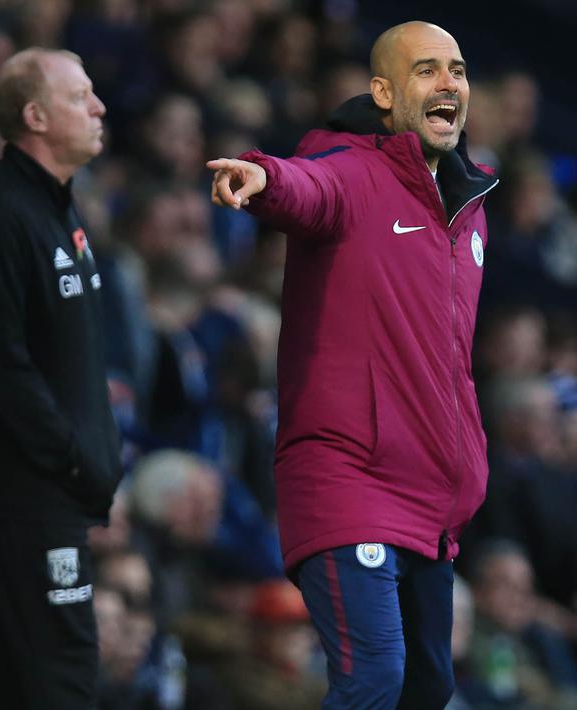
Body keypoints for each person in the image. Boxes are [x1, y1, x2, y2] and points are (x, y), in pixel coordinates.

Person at [206, 20, 498, 709]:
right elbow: (307, 186)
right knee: (374, 677)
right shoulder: (353, 171)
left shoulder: (471, 208)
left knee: (427, 689)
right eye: (426, 70)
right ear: (384, 94)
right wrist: (263, 176)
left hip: (432, 502)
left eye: (456, 69)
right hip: (348, 478)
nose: (448, 83)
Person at [0, 48, 122, 709]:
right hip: (23, 485)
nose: (99, 107)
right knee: (62, 674)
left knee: (9, 677)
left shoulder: (55, 209)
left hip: (47, 484)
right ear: (35, 116)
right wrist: (72, 458)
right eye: (81, 97)